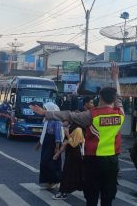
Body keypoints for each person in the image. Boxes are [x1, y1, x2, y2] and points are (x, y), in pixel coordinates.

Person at [31, 62, 123, 206]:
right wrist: (115, 78)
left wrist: (45, 113)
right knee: (108, 194)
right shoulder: (120, 114)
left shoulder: (92, 115)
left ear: (100, 98)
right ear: (113, 100)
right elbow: (119, 97)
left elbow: (68, 115)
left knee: (91, 194)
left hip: (93, 160)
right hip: (112, 160)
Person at [52, 121, 84, 200]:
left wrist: (67, 134)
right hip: (70, 154)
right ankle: (87, 191)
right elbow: (65, 143)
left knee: (67, 174)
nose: (63, 121)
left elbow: (74, 144)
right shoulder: (70, 128)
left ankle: (63, 193)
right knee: (77, 174)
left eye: (65, 120)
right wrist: (58, 154)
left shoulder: (78, 129)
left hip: (76, 155)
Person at [35, 103, 63, 190]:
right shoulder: (47, 119)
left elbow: (58, 134)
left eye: (45, 109)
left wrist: (57, 147)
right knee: (44, 162)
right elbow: (44, 132)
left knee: (52, 163)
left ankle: (56, 181)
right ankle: (48, 182)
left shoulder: (56, 120)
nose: (44, 111)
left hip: (53, 142)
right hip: (47, 142)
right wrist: (39, 143)